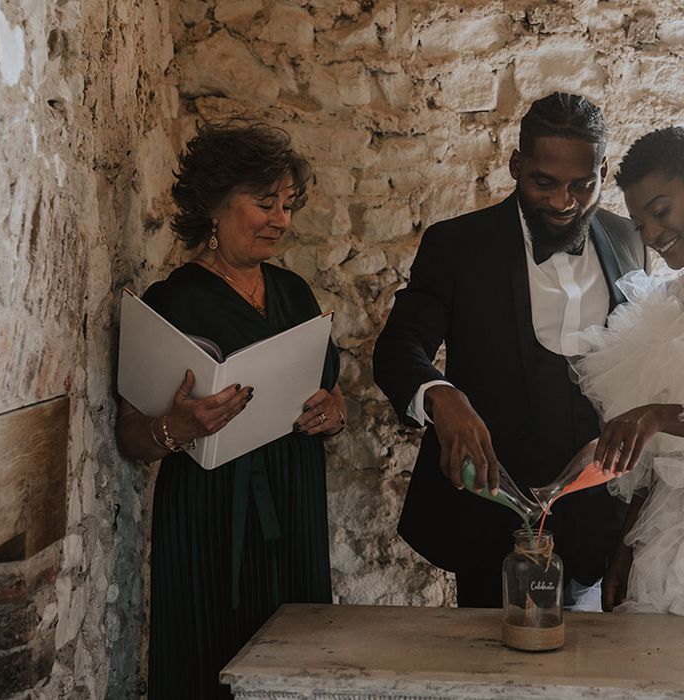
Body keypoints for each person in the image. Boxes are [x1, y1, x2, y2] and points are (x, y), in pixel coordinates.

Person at [373, 92, 646, 608]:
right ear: (516, 165)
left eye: (582, 185)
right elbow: (398, 347)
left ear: (603, 171)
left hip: (599, 524)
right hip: (491, 520)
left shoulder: (630, 239)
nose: (564, 201)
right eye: (543, 181)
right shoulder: (457, 245)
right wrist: (441, 395)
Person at [116, 123, 346, 699]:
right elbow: (131, 437)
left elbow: (329, 392)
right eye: (265, 203)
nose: (281, 219)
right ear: (214, 206)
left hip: (293, 497)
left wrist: (334, 412)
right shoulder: (171, 302)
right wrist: (180, 426)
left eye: (288, 205)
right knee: (208, 656)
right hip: (210, 508)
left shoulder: (295, 293)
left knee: (295, 660)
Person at [570, 126, 684, 614]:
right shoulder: (671, 306)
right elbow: (658, 463)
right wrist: (624, 550)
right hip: (667, 533)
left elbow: (662, 422)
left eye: (661, 212)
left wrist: (659, 414)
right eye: (640, 225)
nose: (653, 236)